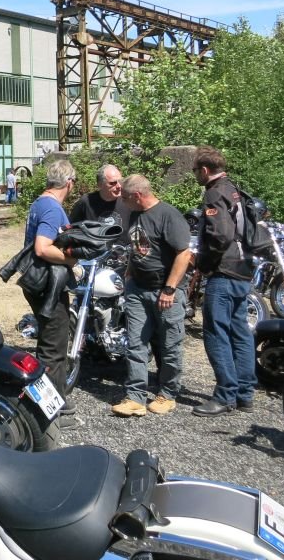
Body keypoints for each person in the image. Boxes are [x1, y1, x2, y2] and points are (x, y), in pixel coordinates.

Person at [110, 175, 191, 417]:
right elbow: (137, 247)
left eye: (125, 197)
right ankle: (135, 397)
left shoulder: (168, 215)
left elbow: (184, 254)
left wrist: (170, 289)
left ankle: (168, 394)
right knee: (135, 343)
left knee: (170, 345)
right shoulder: (135, 213)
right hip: (138, 289)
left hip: (165, 291)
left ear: (137, 195)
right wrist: (129, 272)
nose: (122, 201)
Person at [191, 145, 257, 416]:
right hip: (243, 269)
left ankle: (225, 394)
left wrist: (203, 265)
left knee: (216, 333)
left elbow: (221, 235)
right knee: (240, 331)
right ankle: (245, 394)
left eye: (195, 170)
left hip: (224, 272)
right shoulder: (234, 189)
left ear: (205, 170)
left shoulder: (214, 193)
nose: (195, 174)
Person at [22, 158, 79, 425]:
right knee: (53, 349)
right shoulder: (52, 208)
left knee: (49, 342)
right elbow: (42, 247)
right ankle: (51, 412)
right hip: (48, 285)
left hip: (39, 283)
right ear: (69, 182)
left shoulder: (39, 203)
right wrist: (71, 260)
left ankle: (51, 402)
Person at [70, 163, 131, 228]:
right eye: (113, 183)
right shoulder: (86, 202)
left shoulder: (128, 200)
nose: (119, 186)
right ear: (100, 184)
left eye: (120, 181)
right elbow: (72, 227)